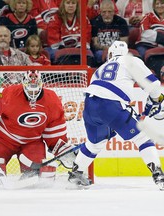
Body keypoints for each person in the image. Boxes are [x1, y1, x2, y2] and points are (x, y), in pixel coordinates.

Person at [68, 41, 164, 190]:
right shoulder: (130, 60)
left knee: (94, 144)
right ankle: (159, 176)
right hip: (111, 105)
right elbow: (154, 86)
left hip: (89, 106)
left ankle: (75, 175)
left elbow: (101, 96)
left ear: (110, 55)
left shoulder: (100, 68)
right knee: (143, 137)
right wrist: (155, 101)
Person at [0, 70, 76, 178]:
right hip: (4, 140)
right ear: (23, 84)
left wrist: (63, 149)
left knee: (36, 175)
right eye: (30, 90)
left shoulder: (51, 100)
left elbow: (54, 130)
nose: (33, 94)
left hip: (32, 142)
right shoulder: (9, 93)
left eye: (35, 90)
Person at [90, 0, 129, 65]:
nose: (107, 15)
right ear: (100, 12)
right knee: (100, 55)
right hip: (101, 51)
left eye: (109, 12)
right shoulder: (94, 22)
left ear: (114, 12)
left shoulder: (121, 22)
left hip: (119, 50)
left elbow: (124, 42)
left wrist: (114, 50)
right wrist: (108, 49)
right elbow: (95, 44)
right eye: (104, 12)